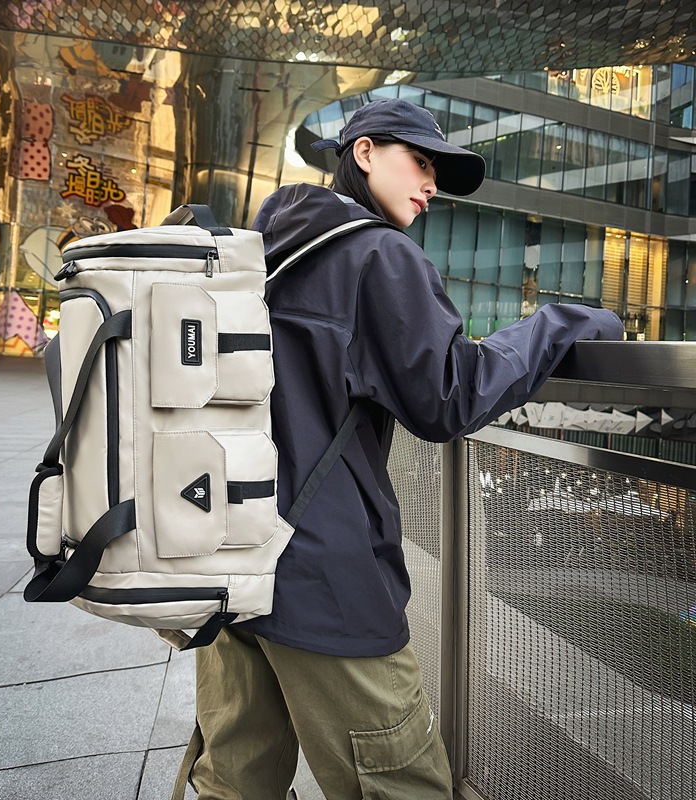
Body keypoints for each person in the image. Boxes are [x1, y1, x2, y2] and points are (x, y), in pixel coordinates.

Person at [184, 98, 624, 799]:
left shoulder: (264, 245)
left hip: (228, 557)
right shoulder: (378, 255)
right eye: (420, 162)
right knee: (401, 780)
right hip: (323, 578)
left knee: (234, 780)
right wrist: (562, 324)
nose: (430, 185)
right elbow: (449, 394)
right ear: (363, 152)